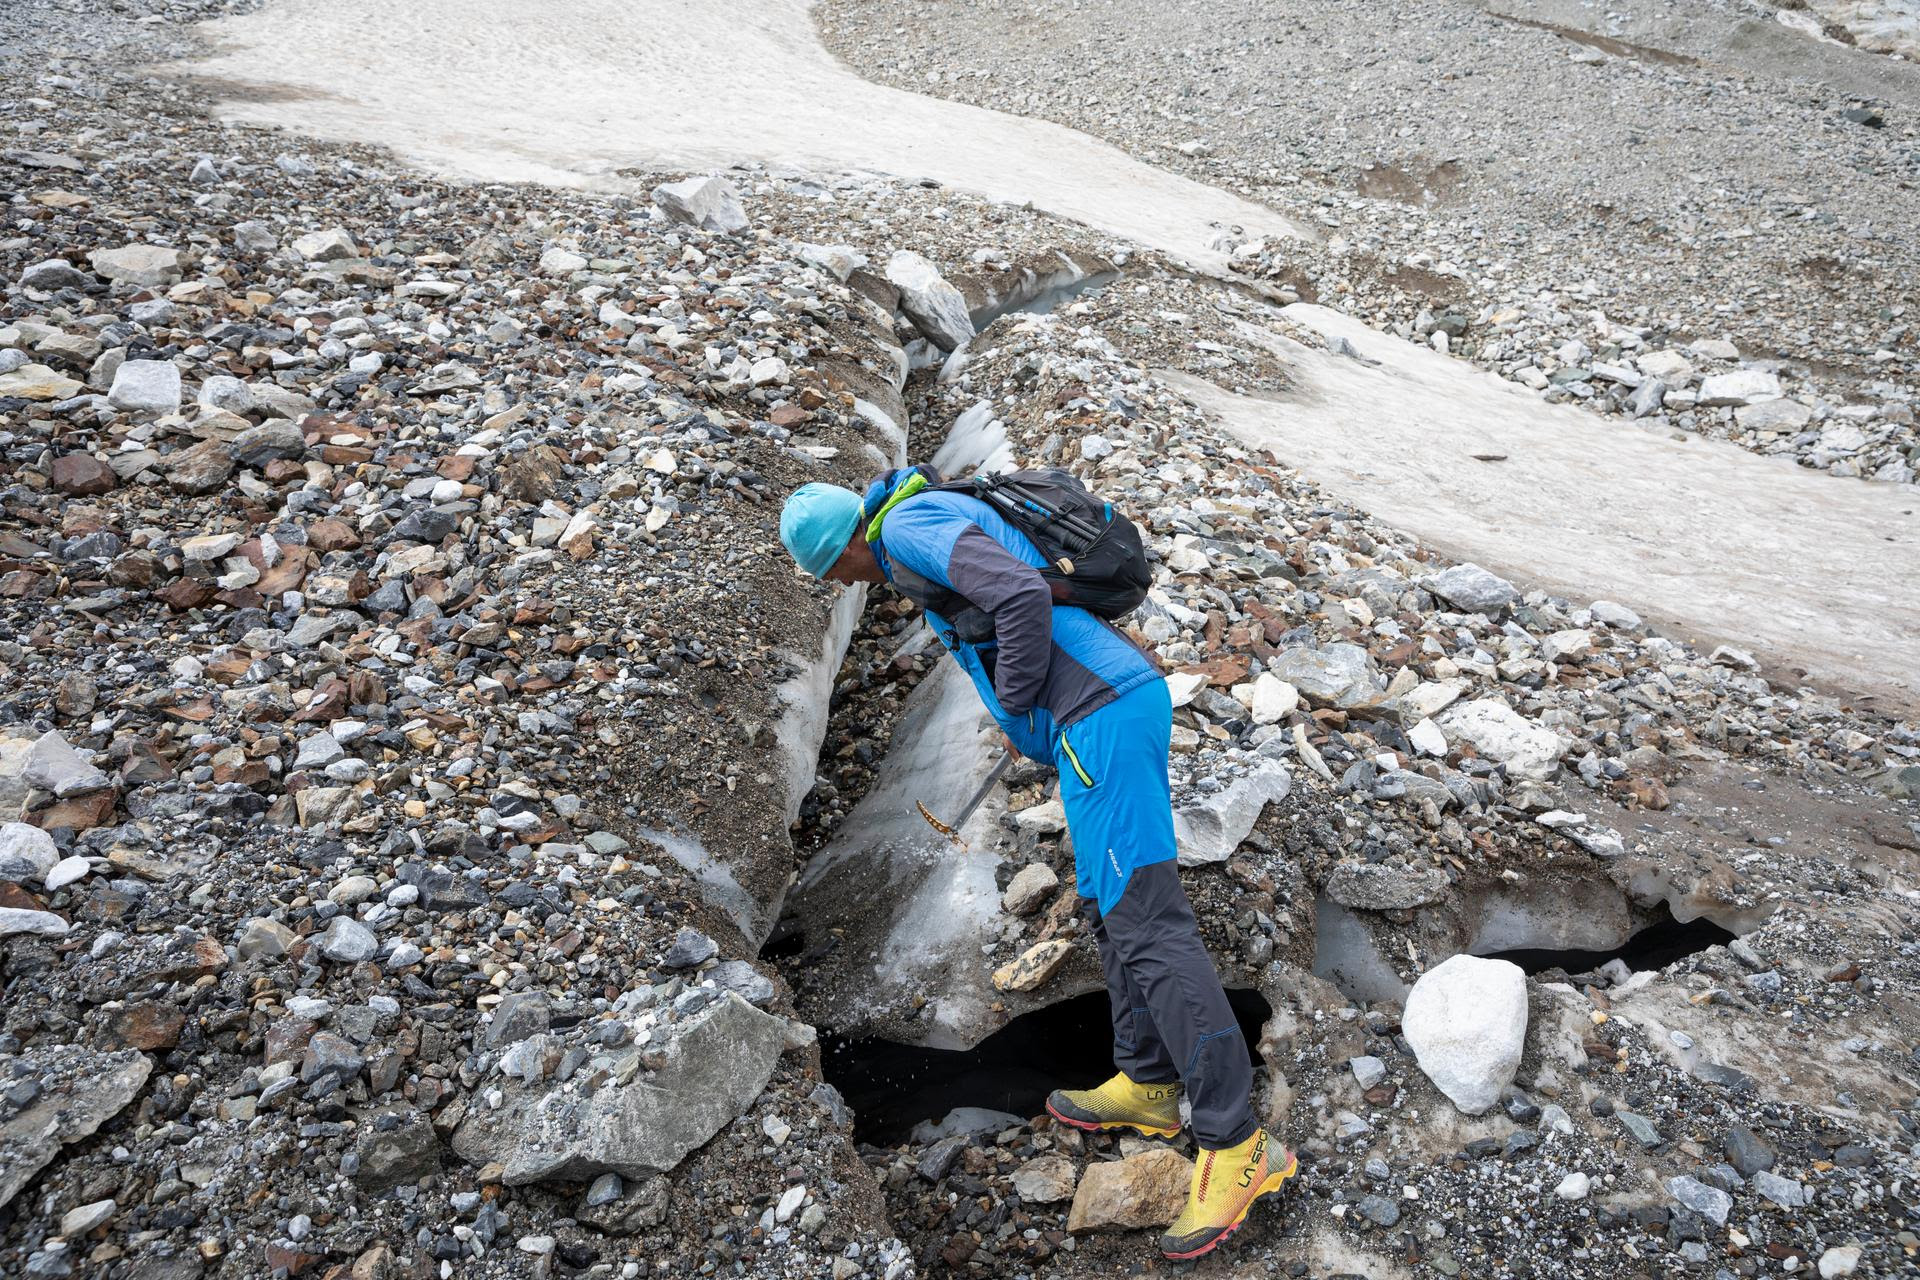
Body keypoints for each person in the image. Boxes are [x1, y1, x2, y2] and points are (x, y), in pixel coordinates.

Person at [780, 469, 1296, 1260]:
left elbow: (1020, 597)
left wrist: (1021, 705)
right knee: (1109, 906)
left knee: (1149, 924)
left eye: (834, 571)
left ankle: (1235, 1144)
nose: (846, 583)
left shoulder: (910, 530)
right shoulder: (915, 526)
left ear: (844, 546)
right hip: (1094, 718)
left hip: (1102, 715)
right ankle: (1149, 1082)